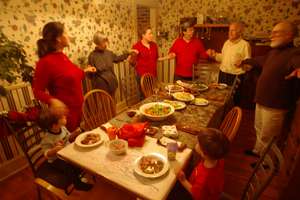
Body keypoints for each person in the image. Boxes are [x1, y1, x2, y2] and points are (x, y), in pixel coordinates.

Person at [242, 21, 300, 158]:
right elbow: (259, 60)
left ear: (289, 35)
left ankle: (266, 161)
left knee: (269, 136)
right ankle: (258, 152)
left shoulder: (295, 53)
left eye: (276, 33)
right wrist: (245, 61)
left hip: (275, 105)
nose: (271, 35)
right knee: (259, 129)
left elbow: (298, 65)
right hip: (262, 100)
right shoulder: (274, 52)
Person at [32, 21, 96, 132]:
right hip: (65, 115)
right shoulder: (45, 62)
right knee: (68, 145)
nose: (69, 36)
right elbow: (37, 91)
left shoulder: (62, 57)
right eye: (66, 33)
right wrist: (52, 101)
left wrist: (85, 70)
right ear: (58, 38)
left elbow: (70, 75)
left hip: (78, 111)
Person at [38, 108, 93, 191]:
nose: (64, 116)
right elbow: (46, 154)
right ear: (54, 125)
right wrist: (54, 150)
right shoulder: (47, 139)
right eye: (61, 117)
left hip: (67, 153)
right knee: (68, 168)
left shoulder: (62, 128)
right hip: (56, 159)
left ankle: (78, 176)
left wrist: (74, 133)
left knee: (79, 159)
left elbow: (68, 137)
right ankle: (78, 184)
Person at [176, 128, 230, 200]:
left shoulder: (204, 180)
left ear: (204, 153)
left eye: (198, 143)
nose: (196, 143)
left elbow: (196, 194)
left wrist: (183, 180)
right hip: (211, 191)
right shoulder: (218, 159)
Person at [88, 32, 131, 96]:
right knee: (105, 105)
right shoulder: (92, 56)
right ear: (97, 43)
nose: (106, 44)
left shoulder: (109, 53)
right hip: (101, 87)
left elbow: (117, 58)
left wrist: (128, 53)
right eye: (103, 42)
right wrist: (89, 71)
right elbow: (91, 76)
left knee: (113, 103)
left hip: (112, 83)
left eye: (106, 41)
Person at [132, 27, 159, 98]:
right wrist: (133, 57)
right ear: (143, 35)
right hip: (142, 77)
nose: (152, 35)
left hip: (153, 75)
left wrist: (167, 57)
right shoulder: (136, 46)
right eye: (149, 33)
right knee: (144, 97)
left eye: (152, 33)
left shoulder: (154, 45)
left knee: (153, 95)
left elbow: (156, 58)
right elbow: (131, 62)